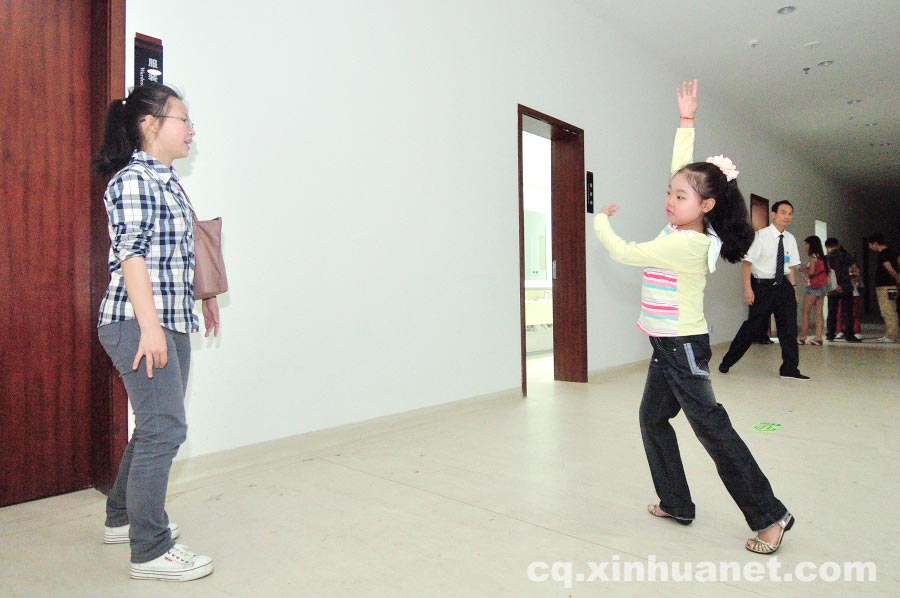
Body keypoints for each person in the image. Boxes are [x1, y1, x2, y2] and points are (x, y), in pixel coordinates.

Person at [593, 80, 793, 554]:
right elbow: (680, 173)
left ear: (706, 206)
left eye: (680, 197)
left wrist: (599, 220)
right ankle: (676, 503)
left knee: (712, 429)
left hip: (680, 347)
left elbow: (623, 252)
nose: (670, 199)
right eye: (670, 192)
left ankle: (771, 516)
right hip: (667, 344)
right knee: (652, 419)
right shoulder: (687, 225)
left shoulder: (684, 242)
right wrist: (686, 122)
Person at [92, 83, 217, 582]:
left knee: (154, 426)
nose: (191, 129)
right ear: (150, 124)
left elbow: (179, 254)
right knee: (166, 428)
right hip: (139, 322)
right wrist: (150, 329)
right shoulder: (133, 181)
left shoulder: (165, 181)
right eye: (182, 119)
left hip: (169, 318)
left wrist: (204, 299)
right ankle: (150, 550)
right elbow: (133, 255)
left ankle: (122, 518)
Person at [718, 201, 809, 379]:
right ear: (773, 214)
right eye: (783, 212)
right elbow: (747, 263)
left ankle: (789, 368)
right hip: (762, 287)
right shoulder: (760, 236)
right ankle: (727, 361)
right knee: (752, 327)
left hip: (784, 287)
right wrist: (748, 289)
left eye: (790, 213)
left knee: (789, 328)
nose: (787, 216)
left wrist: (794, 289)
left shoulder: (790, 239)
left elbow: (789, 266)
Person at [824, 238, 861, 343]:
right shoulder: (846, 255)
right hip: (846, 287)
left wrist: (835, 285)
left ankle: (830, 334)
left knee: (832, 312)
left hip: (833, 288)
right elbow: (854, 269)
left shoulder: (826, 258)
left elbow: (827, 274)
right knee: (848, 312)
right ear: (838, 245)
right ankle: (849, 335)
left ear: (827, 247)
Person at [864, 233, 899, 343]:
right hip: (891, 286)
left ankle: (891, 335)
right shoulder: (893, 252)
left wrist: (897, 278)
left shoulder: (883, 254)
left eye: (870, 245)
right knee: (892, 309)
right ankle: (891, 334)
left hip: (885, 286)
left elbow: (889, 268)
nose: (870, 247)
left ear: (875, 243)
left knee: (888, 310)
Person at [797, 236, 829, 345]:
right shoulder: (822, 256)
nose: (805, 246)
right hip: (823, 285)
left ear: (811, 245)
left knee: (805, 311)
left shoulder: (812, 256)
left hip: (813, 286)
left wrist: (803, 269)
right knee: (819, 312)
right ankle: (818, 337)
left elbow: (811, 272)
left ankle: (802, 336)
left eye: (807, 244)